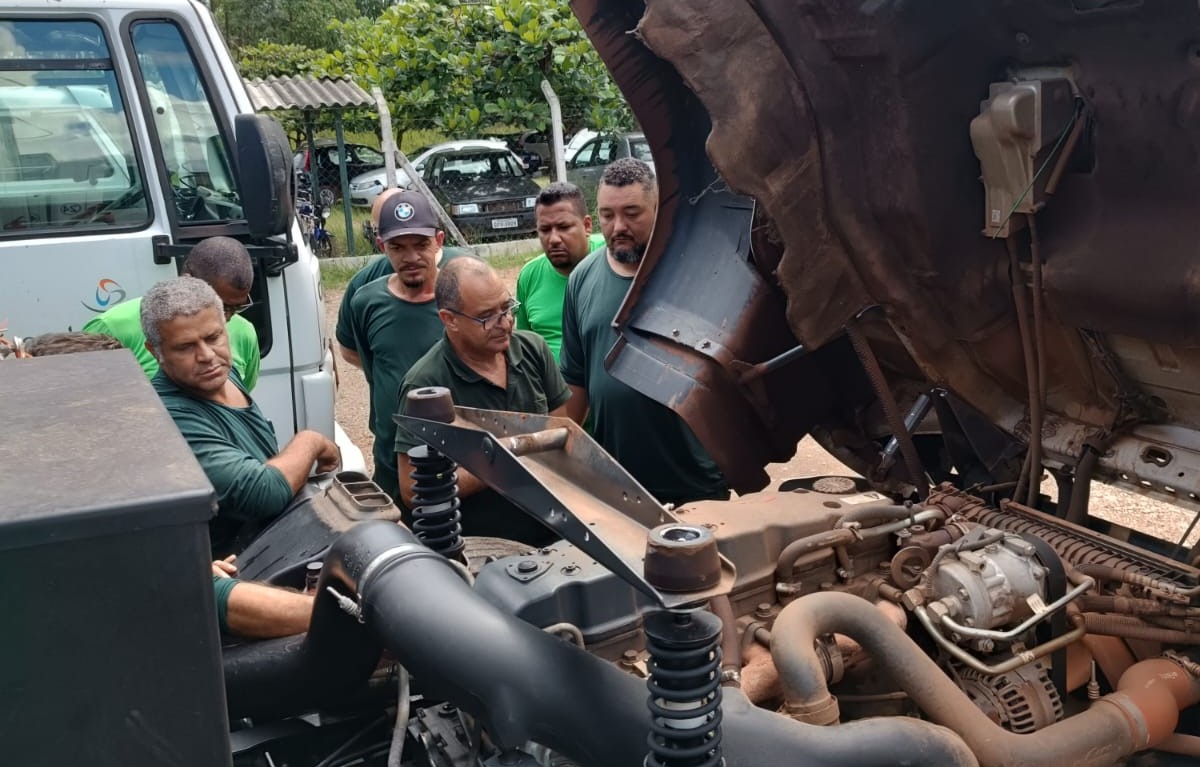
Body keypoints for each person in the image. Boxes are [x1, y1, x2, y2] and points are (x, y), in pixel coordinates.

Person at [14, 329, 311, 640]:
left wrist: (186, 560)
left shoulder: (40, 476)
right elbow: (204, 595)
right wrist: (341, 611)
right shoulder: (67, 501)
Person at [560, 158, 728, 506]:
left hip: (697, 486)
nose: (618, 226)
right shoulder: (582, 280)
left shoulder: (698, 272)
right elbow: (576, 385)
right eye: (607, 215)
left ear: (660, 208)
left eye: (632, 213)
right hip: (616, 484)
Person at [143, 276, 340, 556]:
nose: (207, 356)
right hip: (236, 575)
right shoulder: (167, 416)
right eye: (185, 347)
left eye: (213, 337)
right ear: (155, 351)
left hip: (275, 543)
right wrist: (311, 440)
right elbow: (263, 493)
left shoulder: (226, 375)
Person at [394, 257, 570, 545]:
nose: (506, 323)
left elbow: (563, 433)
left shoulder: (533, 351)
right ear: (449, 320)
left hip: (550, 537)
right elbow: (414, 491)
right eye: (487, 316)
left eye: (507, 307)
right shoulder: (426, 384)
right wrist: (505, 463)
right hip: (478, 550)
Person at [341, 191, 463, 502]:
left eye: (420, 245)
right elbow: (366, 363)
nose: (410, 258)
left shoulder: (462, 297)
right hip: (390, 463)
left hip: (459, 460)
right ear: (381, 246)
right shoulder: (365, 301)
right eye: (397, 247)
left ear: (438, 241)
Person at [83, 235, 261, 390]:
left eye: (237, 307)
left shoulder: (245, 332)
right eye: (220, 305)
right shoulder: (113, 326)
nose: (227, 317)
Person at [515, 181, 605, 361]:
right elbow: (524, 347)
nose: (554, 239)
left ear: (587, 226)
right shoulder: (529, 276)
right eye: (545, 230)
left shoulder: (612, 257)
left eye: (564, 227)